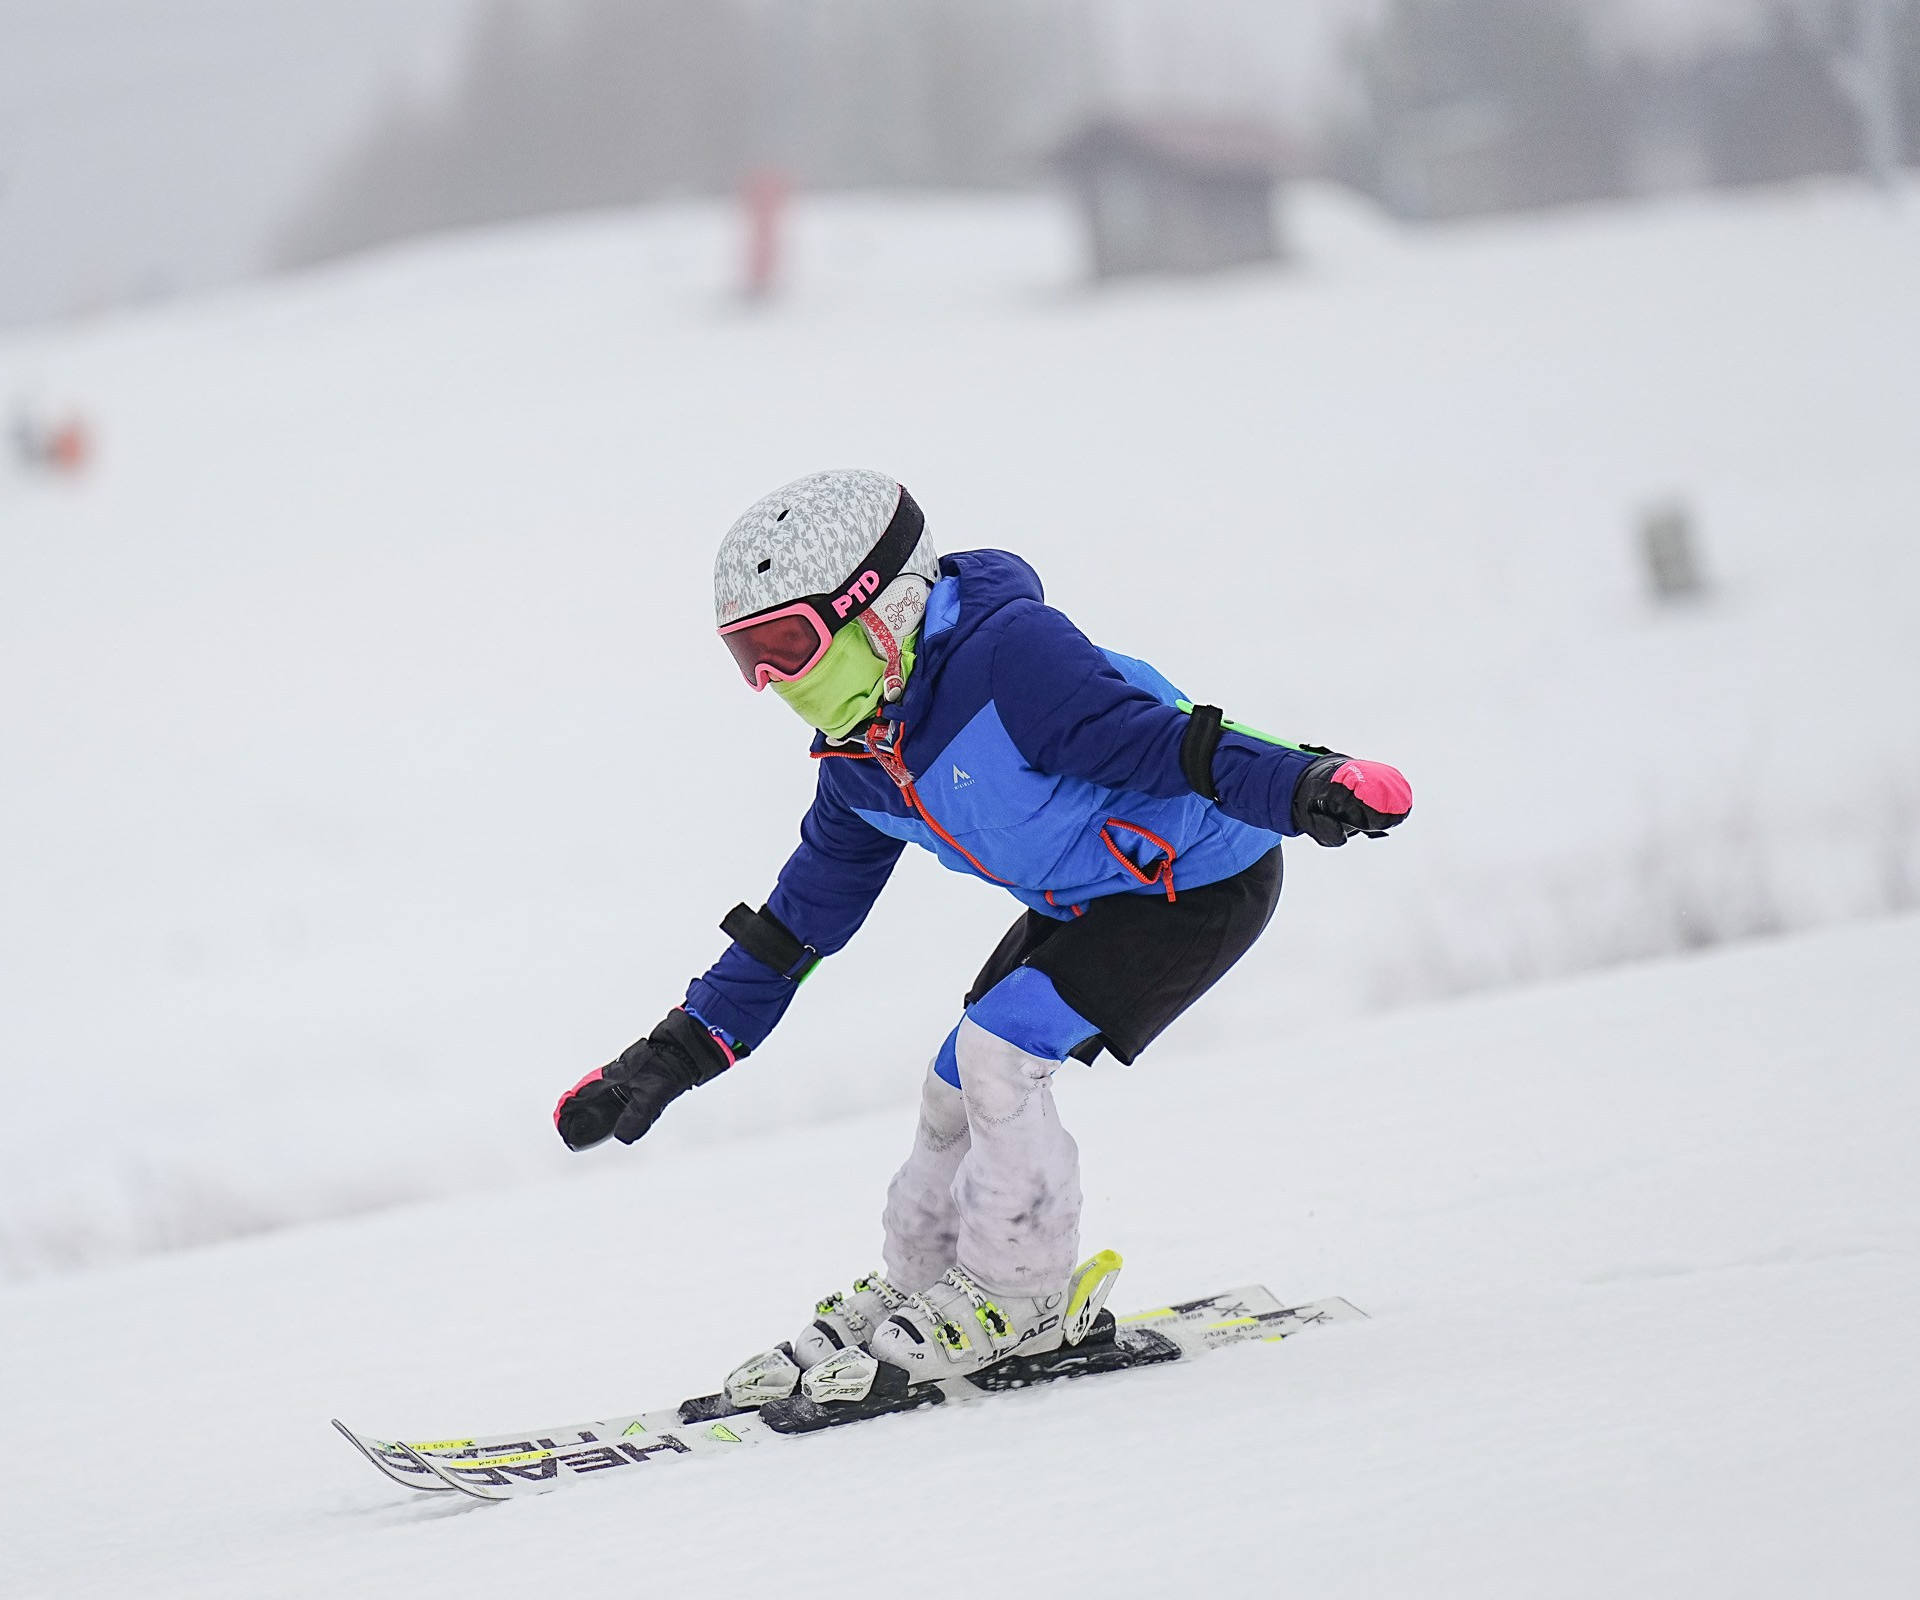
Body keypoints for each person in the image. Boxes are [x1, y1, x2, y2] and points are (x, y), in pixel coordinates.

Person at [554, 470, 1412, 1410]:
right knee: (955, 1078)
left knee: (1000, 1055)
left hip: (1202, 881)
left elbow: (1175, 746)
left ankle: (1021, 1297)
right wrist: (661, 1063)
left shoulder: (1011, 662)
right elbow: (792, 929)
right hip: (1094, 896)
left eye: (787, 646)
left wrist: (1308, 783)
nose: (771, 684)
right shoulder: (862, 765)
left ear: (880, 611)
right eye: (745, 657)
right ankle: (924, 1282)